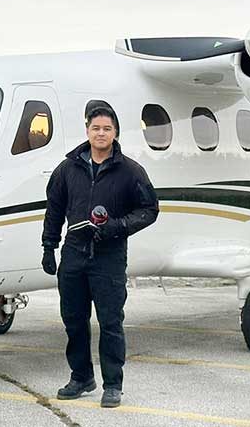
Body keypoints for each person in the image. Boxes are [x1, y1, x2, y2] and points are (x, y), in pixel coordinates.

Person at [41, 106, 159, 408]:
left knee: (110, 322)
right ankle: (81, 377)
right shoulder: (67, 169)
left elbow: (149, 210)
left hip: (109, 256)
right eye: (96, 128)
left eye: (107, 128)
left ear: (115, 132)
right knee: (74, 321)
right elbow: (54, 210)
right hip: (74, 254)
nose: (101, 133)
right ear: (87, 131)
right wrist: (48, 246)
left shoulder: (130, 171)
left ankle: (113, 384)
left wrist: (117, 227)